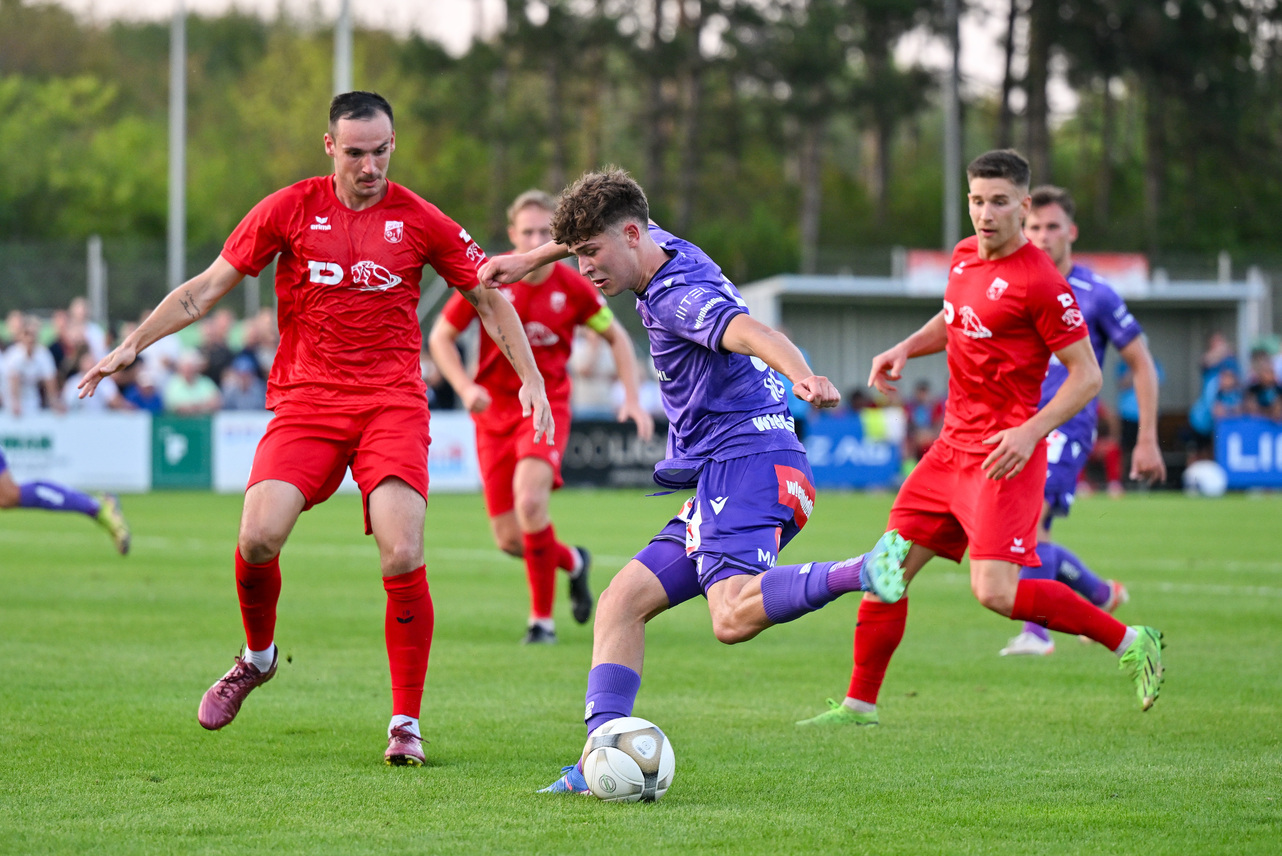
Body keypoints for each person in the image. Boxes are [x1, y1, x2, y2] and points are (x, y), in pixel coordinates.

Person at [79, 91, 553, 767]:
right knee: (258, 535)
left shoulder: (419, 220)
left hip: (391, 401)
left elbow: (486, 294)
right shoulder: (289, 209)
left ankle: (405, 722)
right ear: (329, 146)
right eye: (356, 152)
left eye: (381, 150)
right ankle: (258, 658)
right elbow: (204, 290)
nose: (370, 165)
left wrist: (529, 376)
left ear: (394, 143)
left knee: (401, 551)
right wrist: (135, 343)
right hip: (306, 400)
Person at [477, 167, 911, 794]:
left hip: (751, 464)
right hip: (735, 469)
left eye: (592, 254)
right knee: (621, 602)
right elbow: (596, 232)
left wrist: (801, 375)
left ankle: (865, 569)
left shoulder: (680, 295)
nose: (586, 268)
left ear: (630, 236)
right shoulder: (662, 244)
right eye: (579, 253)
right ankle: (596, 759)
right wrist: (532, 257)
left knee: (730, 616)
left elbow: (755, 332)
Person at [796, 151, 1165, 728]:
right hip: (948, 451)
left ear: (1023, 205)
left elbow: (1089, 375)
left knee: (995, 592)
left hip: (1003, 457)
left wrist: (1029, 430)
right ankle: (858, 706)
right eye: (976, 200)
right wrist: (903, 348)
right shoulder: (965, 257)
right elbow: (953, 318)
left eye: (999, 202)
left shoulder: (1042, 282)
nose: (985, 213)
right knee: (886, 567)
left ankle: (1131, 640)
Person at [429, 189, 654, 644]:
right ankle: (573, 562)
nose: (534, 238)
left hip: (546, 408)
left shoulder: (574, 289)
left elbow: (618, 340)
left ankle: (541, 622)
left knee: (531, 504)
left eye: (542, 232)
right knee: (510, 539)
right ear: (513, 235)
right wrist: (464, 386)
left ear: (559, 236)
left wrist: (630, 396)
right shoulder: (491, 278)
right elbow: (440, 337)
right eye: (526, 230)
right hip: (492, 413)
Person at [995, 185, 1166, 657]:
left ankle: (1037, 633)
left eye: (1052, 227)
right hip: (1016, 424)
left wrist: (1146, 439)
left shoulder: (1097, 294)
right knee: (1004, 535)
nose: (1043, 236)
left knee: (1030, 529)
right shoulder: (1011, 284)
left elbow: (1142, 364)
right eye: (1034, 227)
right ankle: (1098, 593)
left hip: (1065, 427)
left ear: (1071, 231)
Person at [4, 314, 64, 417]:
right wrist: (15, 403)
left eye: (33, 334)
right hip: (11, 398)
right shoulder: (13, 355)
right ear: (21, 335)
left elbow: (50, 380)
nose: (30, 339)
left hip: (33, 399)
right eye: (27, 334)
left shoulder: (43, 354)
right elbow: (13, 381)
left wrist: (54, 402)